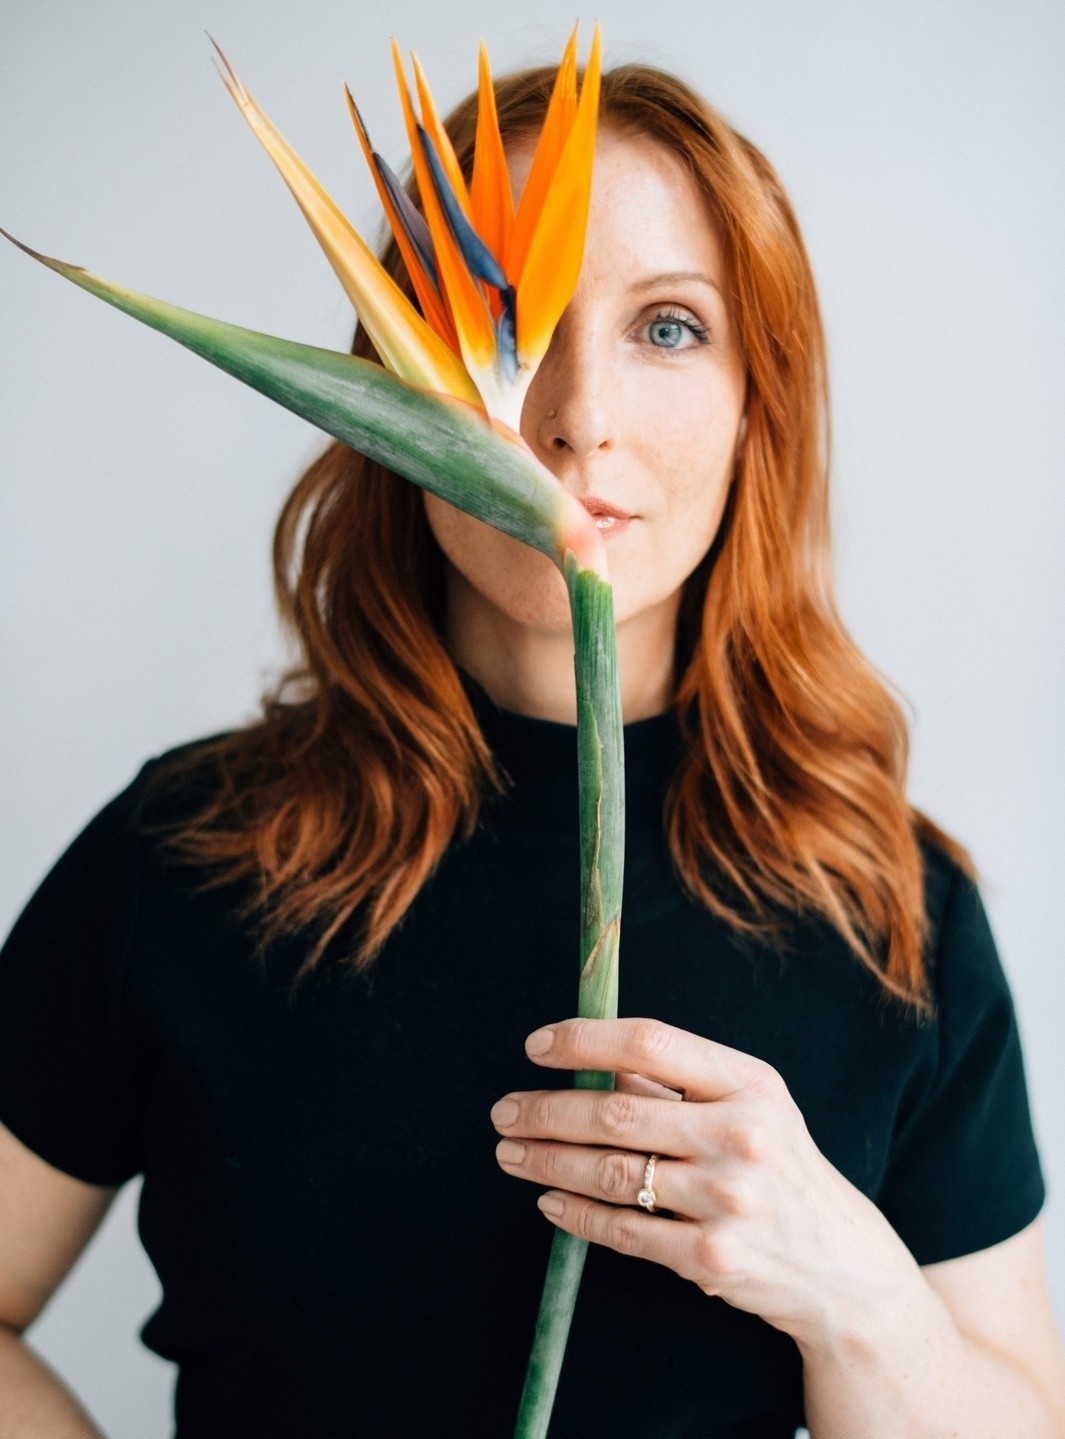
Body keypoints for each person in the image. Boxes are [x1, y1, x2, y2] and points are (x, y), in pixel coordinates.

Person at [0, 52, 1061, 1439]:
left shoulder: (889, 910)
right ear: (396, 380)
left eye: (668, 327)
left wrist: (852, 1288)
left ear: (760, 403)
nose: (577, 418)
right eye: (513, 323)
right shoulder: (189, 855)